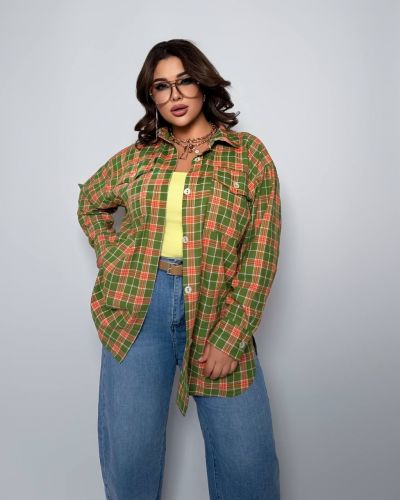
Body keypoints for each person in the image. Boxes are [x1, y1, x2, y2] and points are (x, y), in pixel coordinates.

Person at [77, 38, 282, 500]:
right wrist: (113, 255)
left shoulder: (247, 154)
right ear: (151, 96)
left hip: (217, 309)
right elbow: (90, 200)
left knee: (248, 465)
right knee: (130, 460)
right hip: (137, 310)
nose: (175, 95)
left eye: (184, 81)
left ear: (203, 84)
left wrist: (232, 334)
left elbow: (261, 250)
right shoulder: (139, 156)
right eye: (161, 86)